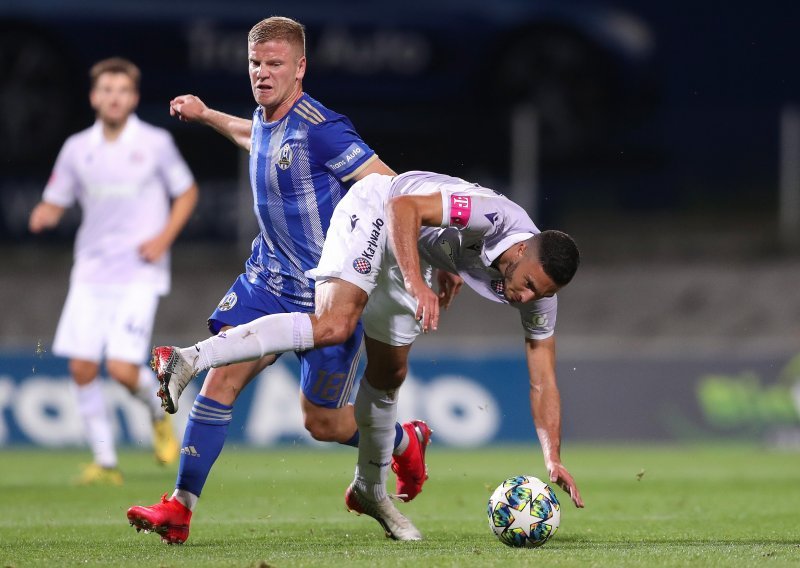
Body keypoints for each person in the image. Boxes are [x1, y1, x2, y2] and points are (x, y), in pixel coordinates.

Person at [126, 17, 459, 544]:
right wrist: (207, 113)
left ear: (300, 68)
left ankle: (403, 440)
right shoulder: (265, 117)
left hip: (328, 295)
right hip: (267, 278)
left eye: (275, 63)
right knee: (220, 379)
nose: (262, 73)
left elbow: (395, 191)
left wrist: (436, 255)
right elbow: (251, 135)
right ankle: (179, 508)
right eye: (255, 63)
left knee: (322, 423)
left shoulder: (323, 128)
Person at [140, 170, 585, 541]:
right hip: (378, 211)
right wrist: (417, 283)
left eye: (536, 294)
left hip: (416, 253)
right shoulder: (496, 217)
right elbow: (404, 208)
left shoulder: (537, 296)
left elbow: (542, 376)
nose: (524, 298)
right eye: (527, 284)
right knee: (336, 324)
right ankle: (191, 359)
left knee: (390, 373)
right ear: (523, 249)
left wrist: (552, 457)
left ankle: (369, 488)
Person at [28, 57, 198, 484]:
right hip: (90, 270)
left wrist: (163, 238)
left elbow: (187, 192)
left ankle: (158, 413)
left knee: (122, 369)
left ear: (133, 97)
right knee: (82, 367)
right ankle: (105, 463)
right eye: (106, 90)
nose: (114, 97)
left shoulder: (155, 142)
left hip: (139, 272)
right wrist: (45, 212)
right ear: (94, 97)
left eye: (122, 90)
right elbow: (57, 197)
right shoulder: (77, 149)